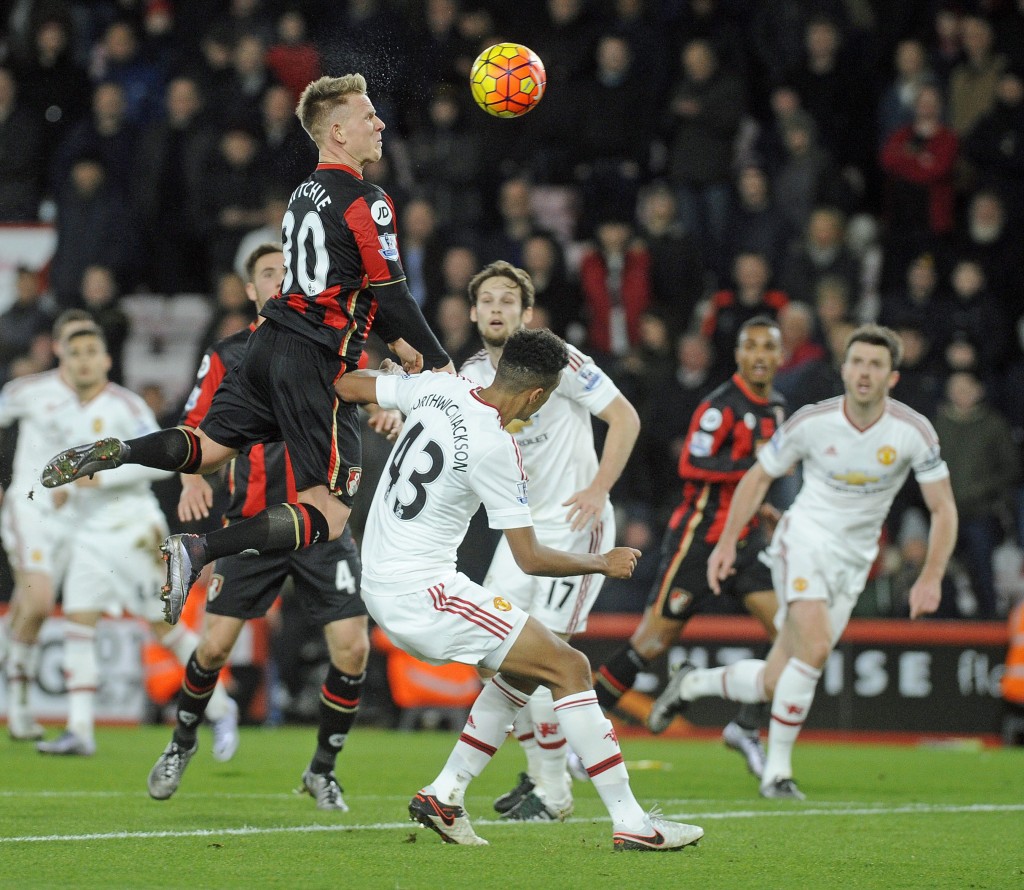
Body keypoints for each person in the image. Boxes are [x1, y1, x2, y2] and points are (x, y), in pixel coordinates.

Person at [39, 74, 453, 628]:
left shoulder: (304, 194)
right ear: (337, 132)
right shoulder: (367, 200)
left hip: (267, 343)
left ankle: (119, 451)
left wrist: (397, 339)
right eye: (367, 116)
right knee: (329, 514)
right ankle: (200, 549)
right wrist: (440, 361)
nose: (379, 123)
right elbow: (391, 289)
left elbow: (338, 283)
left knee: (209, 450)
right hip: (314, 361)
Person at [337, 328, 703, 851]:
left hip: (383, 576)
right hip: (422, 592)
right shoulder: (495, 445)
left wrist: (381, 378)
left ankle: (445, 794)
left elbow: (348, 385)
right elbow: (530, 558)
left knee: (524, 669)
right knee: (570, 666)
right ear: (536, 395)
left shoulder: (440, 388)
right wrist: (601, 562)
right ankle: (632, 822)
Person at [647, 324, 958, 799]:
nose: (865, 373)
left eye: (876, 365)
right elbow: (757, 478)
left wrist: (932, 575)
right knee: (814, 649)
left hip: (854, 562)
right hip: (803, 540)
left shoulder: (912, 431)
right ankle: (777, 773)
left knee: (777, 678)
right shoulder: (812, 421)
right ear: (844, 369)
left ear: (892, 377)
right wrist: (727, 542)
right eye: (858, 362)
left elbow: (943, 508)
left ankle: (691, 685)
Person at [147, 243, 385, 808]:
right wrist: (190, 478)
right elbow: (194, 427)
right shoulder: (229, 355)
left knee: (352, 648)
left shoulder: (334, 344)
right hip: (252, 524)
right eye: (268, 274)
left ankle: (322, 769)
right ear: (251, 290)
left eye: (288, 272)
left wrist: (389, 406)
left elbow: (375, 386)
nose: (280, 280)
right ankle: (182, 741)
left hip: (321, 523)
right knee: (213, 647)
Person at [459, 261, 640, 822]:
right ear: (473, 313)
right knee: (490, 656)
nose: (497, 308)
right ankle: (543, 774)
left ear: (527, 313)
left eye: (508, 300)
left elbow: (625, 418)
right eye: (488, 300)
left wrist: (598, 488)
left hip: (575, 525)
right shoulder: (469, 375)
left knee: (545, 659)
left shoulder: (562, 359)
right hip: (521, 532)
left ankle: (555, 792)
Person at [29, 324, 236, 756]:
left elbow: (161, 464)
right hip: (87, 536)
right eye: (75, 353)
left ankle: (220, 707)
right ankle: (80, 729)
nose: (84, 360)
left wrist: (97, 478)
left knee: (164, 629)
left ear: (107, 360)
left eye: (92, 351)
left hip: (132, 532)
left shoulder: (126, 406)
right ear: (64, 361)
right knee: (78, 624)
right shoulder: (59, 413)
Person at [595, 316, 785, 780]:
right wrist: (755, 470)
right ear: (738, 355)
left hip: (745, 544)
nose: (760, 355)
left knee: (791, 638)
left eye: (768, 347)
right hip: (699, 542)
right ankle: (582, 738)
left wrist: (760, 505)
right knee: (651, 642)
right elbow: (692, 462)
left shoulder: (777, 408)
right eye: (751, 346)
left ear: (780, 356)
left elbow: (753, 478)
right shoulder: (721, 407)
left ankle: (746, 726)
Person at [1, 310, 96, 741]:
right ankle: (19, 708)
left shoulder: (106, 403)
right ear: (58, 347)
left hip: (73, 521)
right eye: (72, 343)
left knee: (29, 607)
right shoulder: (29, 391)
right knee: (39, 603)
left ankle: (11, 653)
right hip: (29, 510)